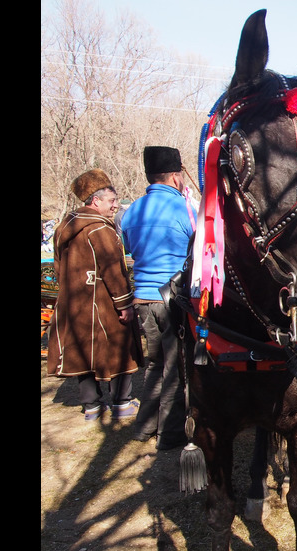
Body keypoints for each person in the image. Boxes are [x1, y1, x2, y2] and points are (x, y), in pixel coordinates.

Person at [47, 169, 142, 421]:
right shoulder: (99, 230)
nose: (115, 206)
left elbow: (58, 267)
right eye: (112, 201)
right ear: (95, 201)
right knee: (120, 347)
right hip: (102, 303)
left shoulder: (64, 228)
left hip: (74, 303)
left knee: (82, 352)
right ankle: (122, 402)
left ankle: (92, 406)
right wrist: (124, 304)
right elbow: (113, 271)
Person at [121, 146, 195, 450]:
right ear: (177, 177)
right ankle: (171, 432)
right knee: (176, 365)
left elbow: (128, 246)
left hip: (142, 298)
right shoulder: (184, 208)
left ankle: (145, 426)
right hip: (173, 297)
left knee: (154, 362)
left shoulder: (131, 210)